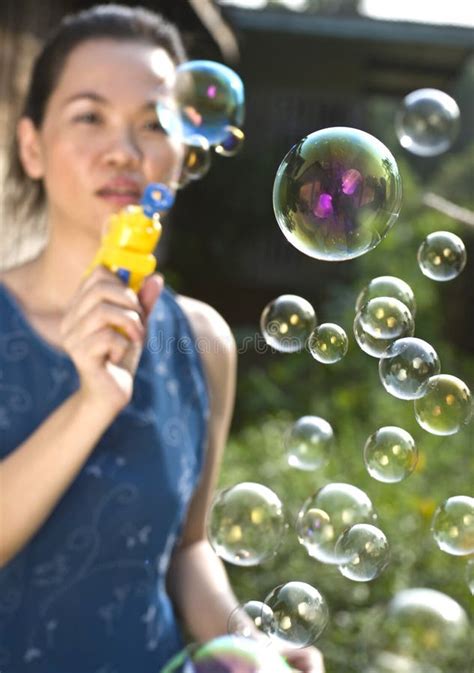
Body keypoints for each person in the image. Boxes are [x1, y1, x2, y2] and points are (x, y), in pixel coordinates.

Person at [0, 5, 325, 673]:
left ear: (183, 153)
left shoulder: (203, 341)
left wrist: (250, 649)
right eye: (90, 115)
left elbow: (186, 549)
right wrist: (91, 402)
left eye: (155, 122)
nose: (125, 149)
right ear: (31, 146)